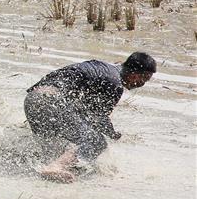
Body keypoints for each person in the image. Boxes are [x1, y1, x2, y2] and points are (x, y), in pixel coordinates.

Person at [25, 52, 156, 183]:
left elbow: (85, 111)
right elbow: (99, 118)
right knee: (97, 141)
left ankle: (44, 162)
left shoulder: (104, 70)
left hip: (32, 99)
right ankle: (55, 167)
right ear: (135, 74)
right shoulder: (115, 84)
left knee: (55, 138)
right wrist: (114, 135)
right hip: (51, 100)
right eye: (144, 79)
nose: (142, 84)